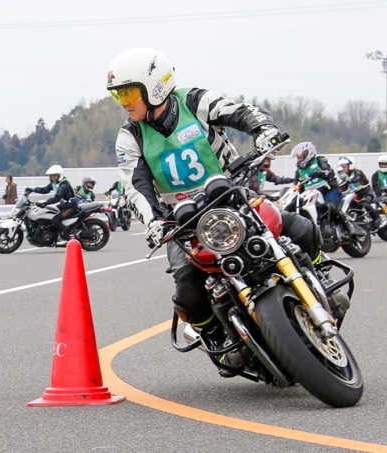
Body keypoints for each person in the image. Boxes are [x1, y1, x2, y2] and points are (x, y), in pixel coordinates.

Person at [105, 47, 323, 372]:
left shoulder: (194, 100)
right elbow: (135, 186)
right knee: (187, 287)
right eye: (118, 95)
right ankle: (216, 338)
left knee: (299, 228)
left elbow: (239, 112)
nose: (124, 101)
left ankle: (316, 274)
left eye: (129, 92)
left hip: (230, 194)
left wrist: (263, 131)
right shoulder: (130, 136)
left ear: (156, 87)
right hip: (182, 222)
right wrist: (154, 223)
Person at [290, 142, 356, 235]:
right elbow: (297, 184)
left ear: (308, 154)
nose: (299, 160)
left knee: (330, 206)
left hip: (329, 190)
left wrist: (319, 173)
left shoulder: (320, 160)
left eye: (300, 157)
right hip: (313, 195)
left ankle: (348, 226)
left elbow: (329, 172)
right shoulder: (299, 170)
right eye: (298, 158)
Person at [25, 165, 78, 246]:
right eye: (51, 176)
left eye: (54, 175)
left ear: (59, 176)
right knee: (49, 213)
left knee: (55, 220)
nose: (52, 177)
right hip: (64, 205)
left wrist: (45, 203)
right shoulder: (55, 183)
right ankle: (55, 233)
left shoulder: (64, 185)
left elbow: (57, 198)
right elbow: (44, 190)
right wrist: (32, 190)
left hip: (70, 206)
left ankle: (67, 239)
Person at [337, 156, 381, 230]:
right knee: (350, 206)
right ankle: (361, 220)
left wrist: (349, 181)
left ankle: (377, 218)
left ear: (350, 165)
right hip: (356, 196)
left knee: (365, 203)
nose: (343, 168)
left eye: (344, 166)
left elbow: (357, 178)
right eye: (342, 167)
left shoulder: (357, 172)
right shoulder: (346, 177)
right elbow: (343, 188)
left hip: (366, 193)